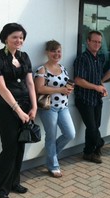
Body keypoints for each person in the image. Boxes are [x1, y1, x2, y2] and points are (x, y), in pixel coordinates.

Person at [0, 23, 37, 198]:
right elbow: (1, 88)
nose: (19, 40)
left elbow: (30, 84)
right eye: (15, 37)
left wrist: (34, 107)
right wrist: (18, 110)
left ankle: (14, 182)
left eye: (21, 37)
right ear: (6, 38)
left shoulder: (24, 57)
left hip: (25, 108)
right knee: (10, 149)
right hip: (6, 110)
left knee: (20, 147)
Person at [34, 40, 76, 178]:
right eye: (53, 51)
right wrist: (60, 89)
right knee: (51, 136)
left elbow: (66, 85)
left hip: (63, 107)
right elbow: (39, 88)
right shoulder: (42, 69)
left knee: (70, 134)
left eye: (59, 51)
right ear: (47, 52)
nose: (57, 54)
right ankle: (53, 165)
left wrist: (68, 89)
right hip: (49, 107)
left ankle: (51, 157)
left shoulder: (63, 68)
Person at [73, 31, 107, 164]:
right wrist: (96, 87)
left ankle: (88, 152)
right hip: (84, 99)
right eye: (94, 41)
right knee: (92, 127)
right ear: (88, 41)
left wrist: (101, 87)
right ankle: (100, 144)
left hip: (97, 99)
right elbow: (78, 80)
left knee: (95, 126)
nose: (97, 44)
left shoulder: (99, 59)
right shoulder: (82, 58)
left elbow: (98, 79)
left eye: (99, 42)